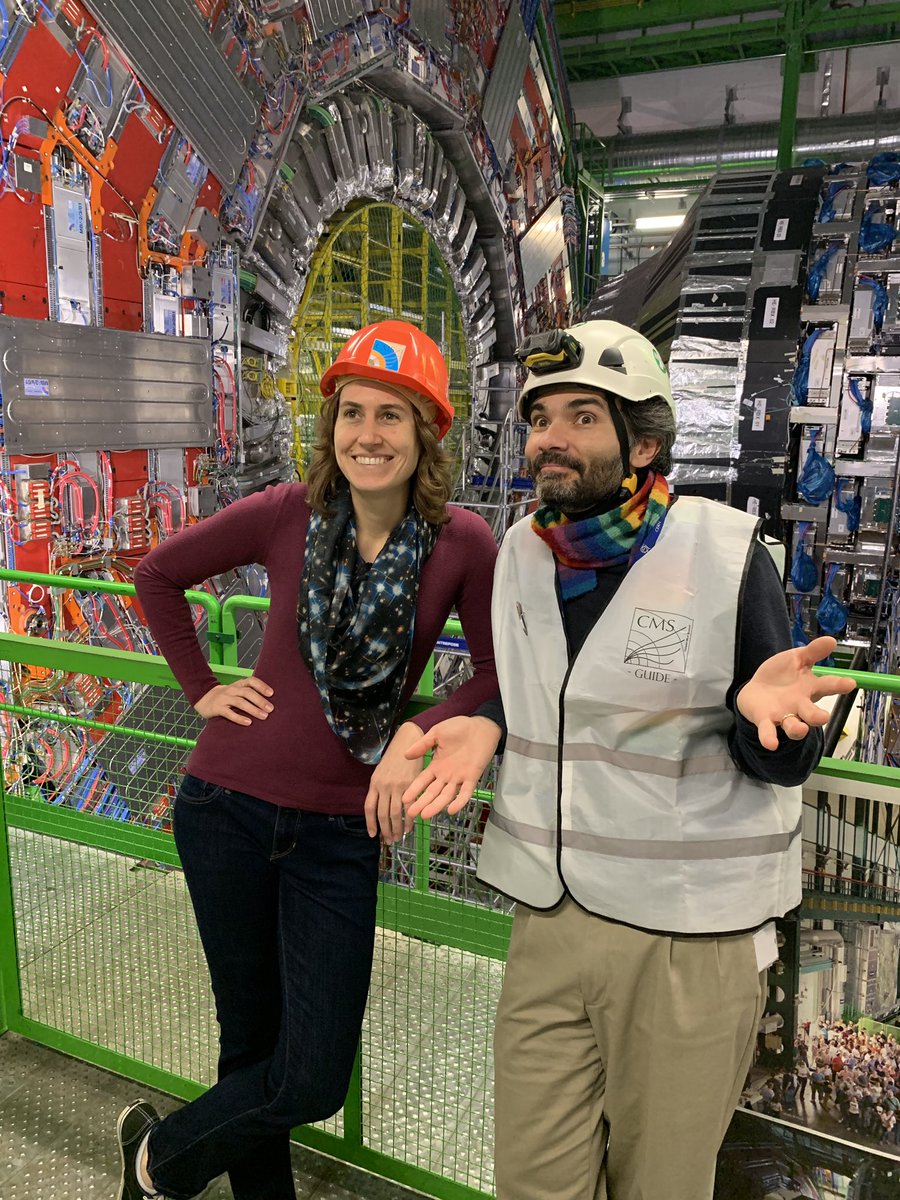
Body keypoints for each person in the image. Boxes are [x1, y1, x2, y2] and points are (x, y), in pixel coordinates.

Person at [399, 320, 856, 1200]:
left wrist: (771, 722)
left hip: (687, 939)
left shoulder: (724, 553)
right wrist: (486, 721)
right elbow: (547, 695)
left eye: (582, 417)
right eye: (541, 419)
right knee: (532, 1181)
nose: (551, 438)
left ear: (642, 443)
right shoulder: (522, 554)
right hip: (549, 922)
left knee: (661, 1185)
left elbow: (781, 750)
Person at [116, 320, 499, 1200]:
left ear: (426, 432)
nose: (368, 434)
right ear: (330, 426)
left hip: (339, 831)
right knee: (249, 1043)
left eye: (391, 415)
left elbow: (489, 674)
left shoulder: (462, 544)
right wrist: (202, 687)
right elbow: (157, 576)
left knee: (313, 1076)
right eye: (352, 412)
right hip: (225, 807)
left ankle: (158, 1159)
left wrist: (416, 734)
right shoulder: (286, 511)